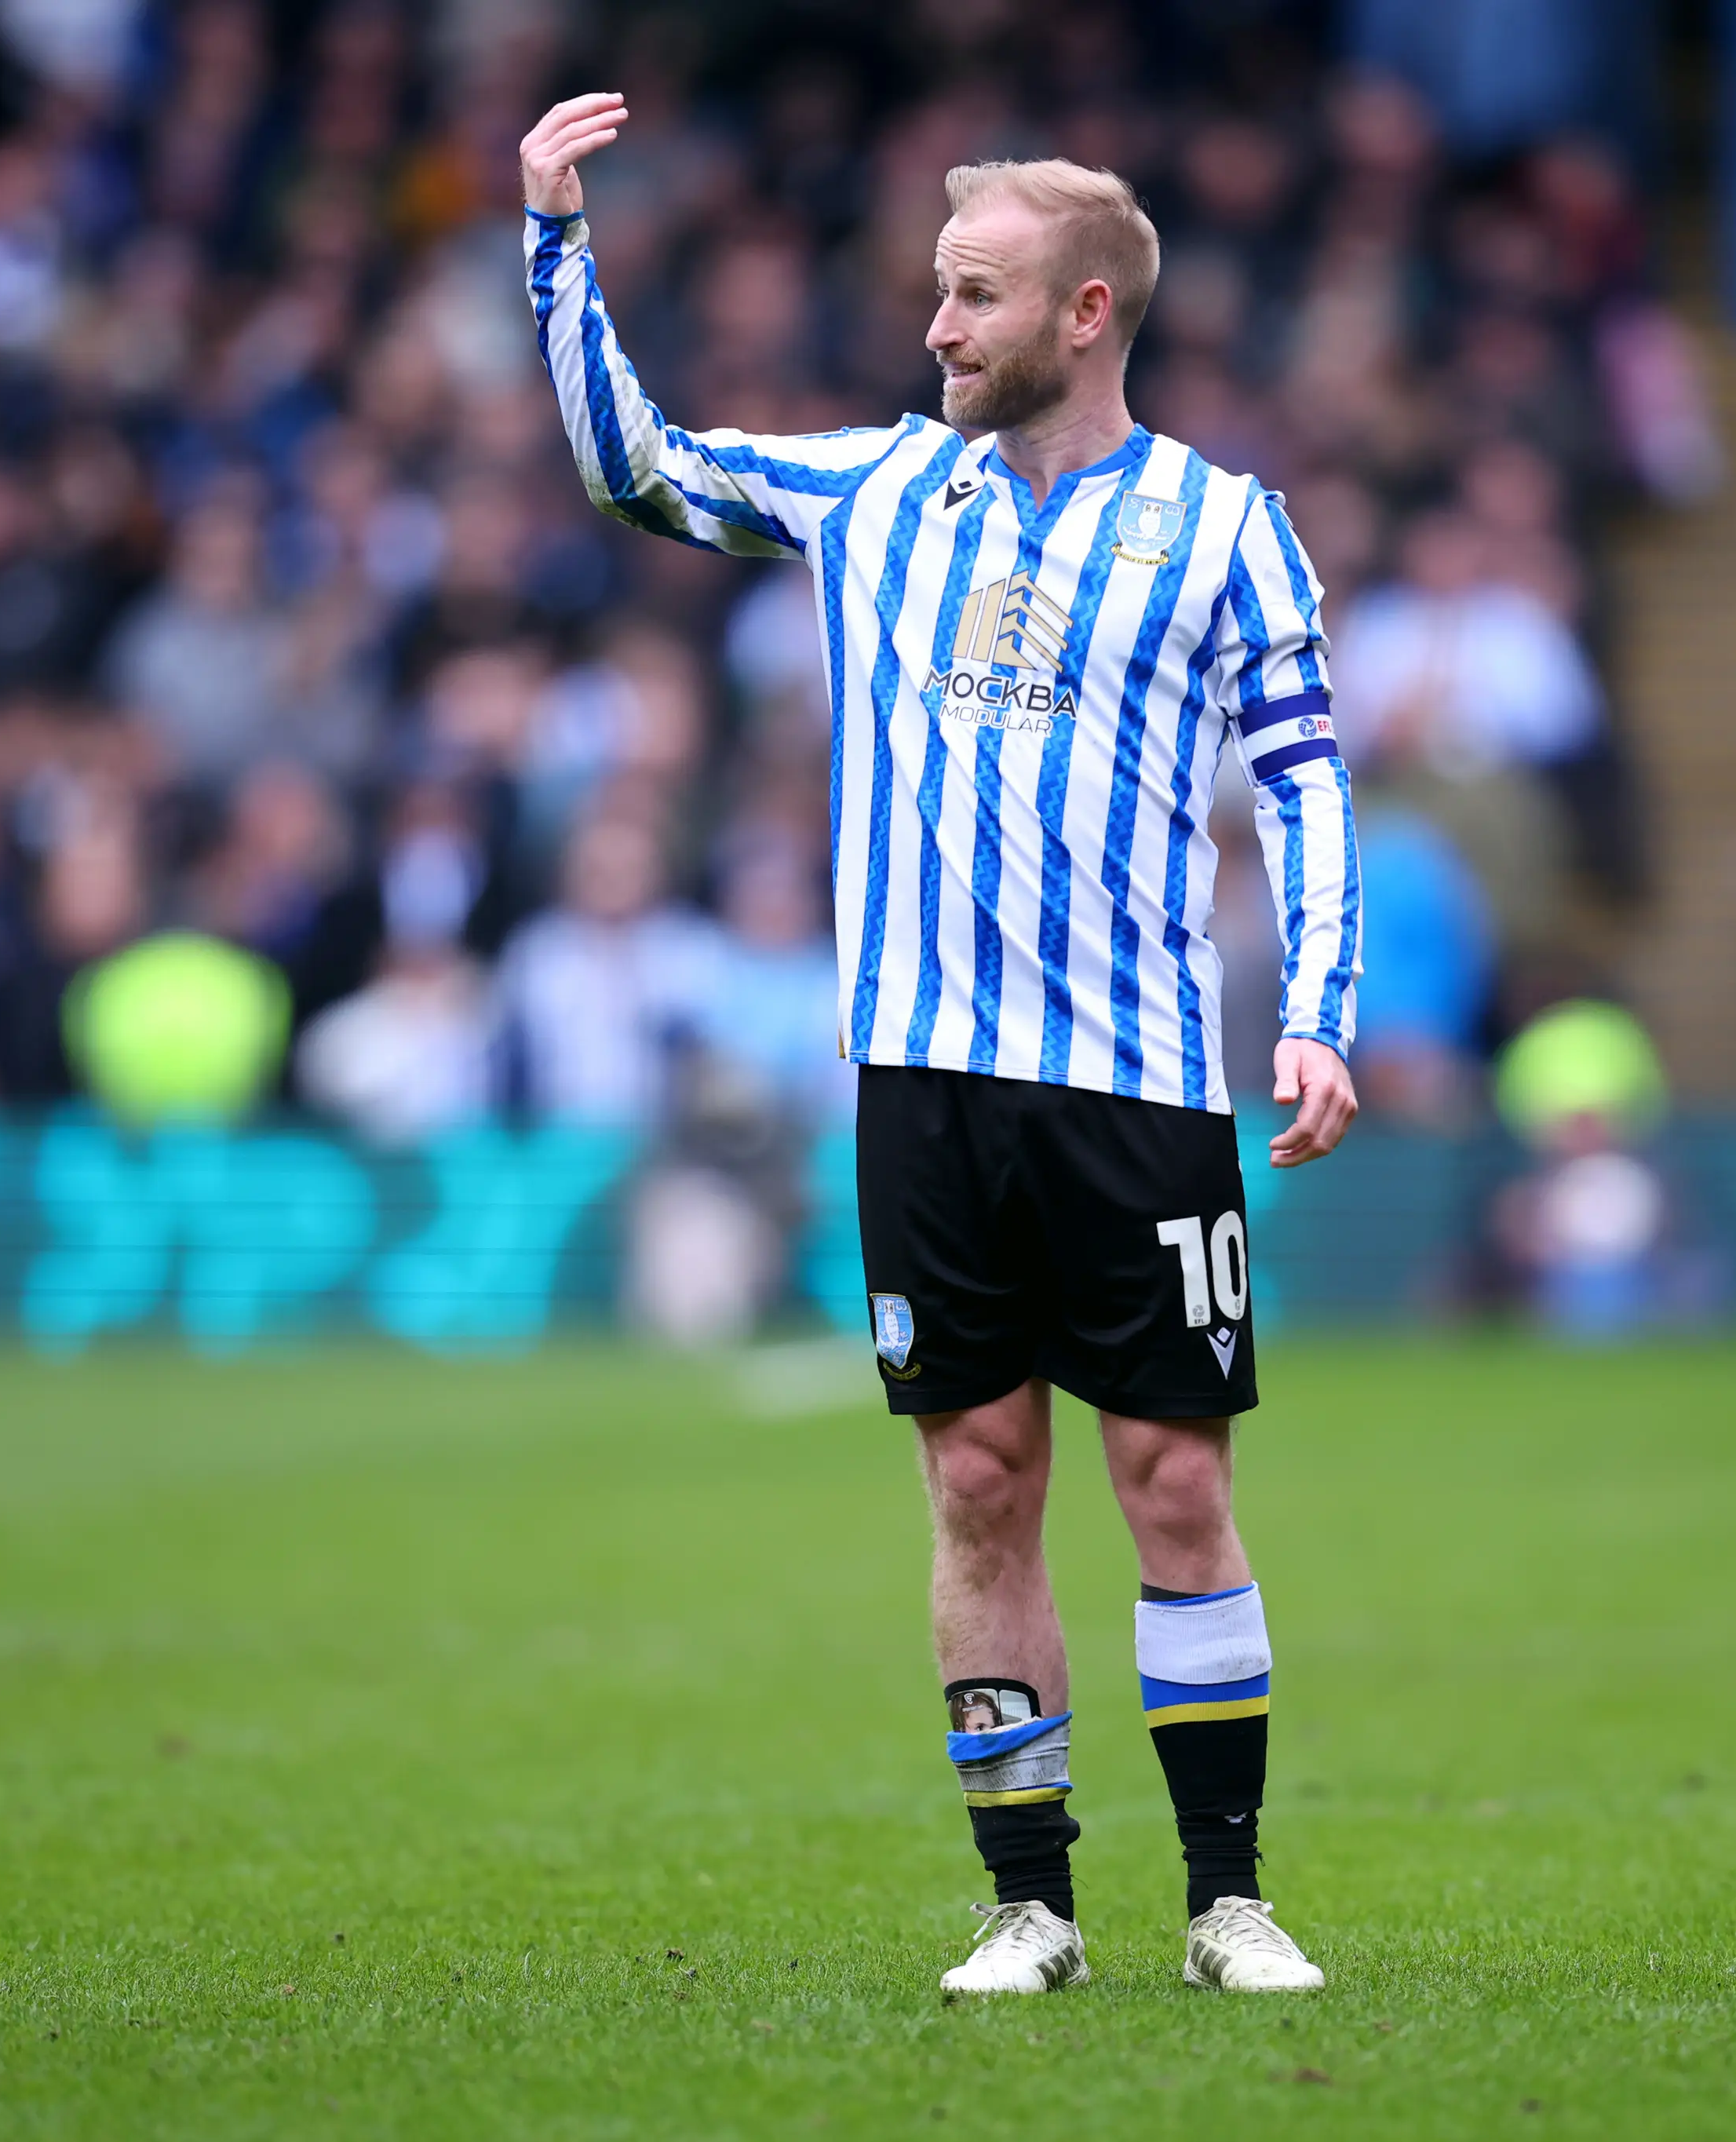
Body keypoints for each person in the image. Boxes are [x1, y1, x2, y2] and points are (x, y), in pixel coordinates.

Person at [522, 96, 1363, 1998]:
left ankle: (1225, 1894)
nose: (935, 330)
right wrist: (558, 239)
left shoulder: (1227, 527)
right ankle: (1032, 1902)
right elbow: (632, 470)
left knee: (1173, 1481)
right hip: (920, 1080)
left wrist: (1315, 1009)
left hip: (1140, 1079)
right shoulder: (873, 494)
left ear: (1084, 311)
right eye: (933, 292)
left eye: (972, 296)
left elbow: (1302, 778)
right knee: (979, 1478)